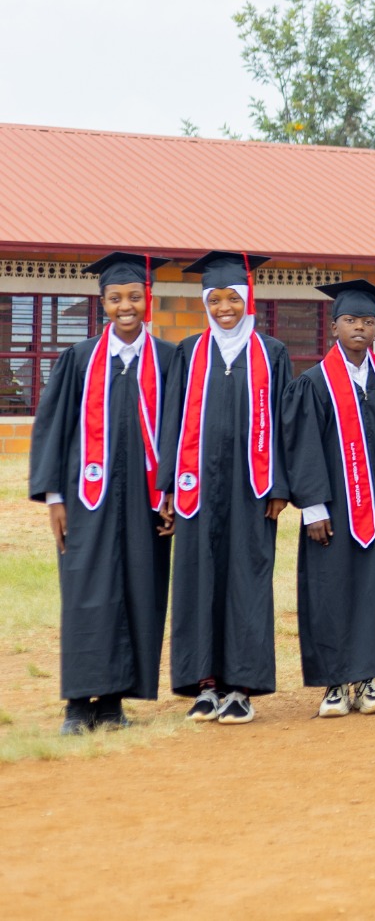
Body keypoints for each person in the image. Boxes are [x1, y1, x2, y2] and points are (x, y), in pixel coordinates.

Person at [29, 252, 177, 735]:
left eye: (134, 296)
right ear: (103, 303)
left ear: (148, 299)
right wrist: (53, 497)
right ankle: (77, 705)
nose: (125, 306)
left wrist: (173, 492)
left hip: (147, 502)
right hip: (84, 499)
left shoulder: (170, 359)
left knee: (140, 590)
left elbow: (181, 431)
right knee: (84, 594)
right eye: (115, 298)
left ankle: (113, 703)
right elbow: (52, 428)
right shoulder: (79, 359)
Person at [161, 251, 293, 726]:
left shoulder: (272, 352)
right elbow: (171, 419)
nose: (224, 308)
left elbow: (285, 422)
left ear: (247, 299)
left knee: (247, 579)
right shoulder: (188, 351)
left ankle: (241, 687)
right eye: (214, 300)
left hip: (253, 488)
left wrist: (281, 485)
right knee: (197, 579)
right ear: (205, 303)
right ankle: (204, 685)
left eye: (232, 299)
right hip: (196, 486)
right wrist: (166, 487)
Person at [284, 279, 375, 718]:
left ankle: (366, 679)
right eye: (350, 320)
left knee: (374, 587)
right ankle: (333, 683)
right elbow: (303, 446)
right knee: (332, 588)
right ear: (334, 327)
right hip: (334, 508)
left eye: (368, 321)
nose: (359, 328)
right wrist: (313, 507)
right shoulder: (315, 382)